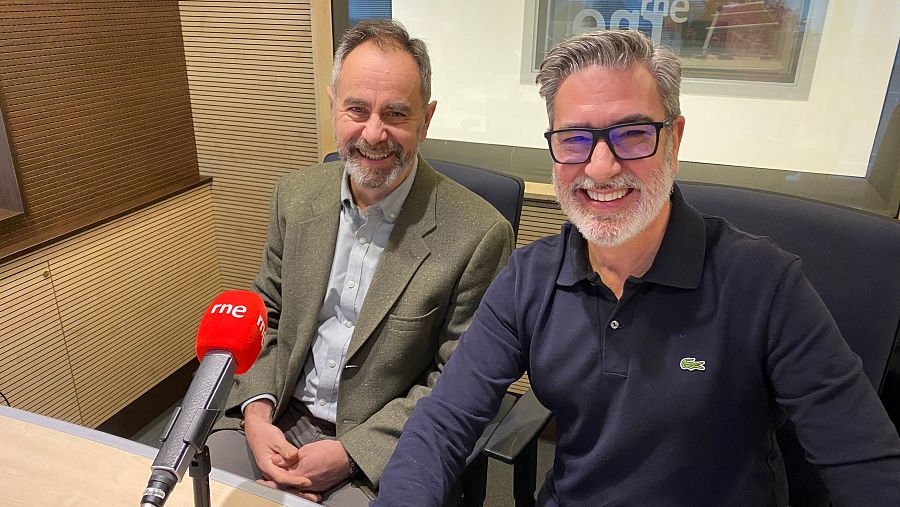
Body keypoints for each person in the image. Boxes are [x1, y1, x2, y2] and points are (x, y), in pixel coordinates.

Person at [374, 29, 900, 506]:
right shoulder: (529, 278)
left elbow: (864, 459)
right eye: (575, 138)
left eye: (632, 134)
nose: (601, 168)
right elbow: (443, 423)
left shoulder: (763, 282)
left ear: (674, 138)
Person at [206, 19, 514, 506]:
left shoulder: (478, 235)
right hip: (279, 412)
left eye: (395, 113)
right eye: (356, 109)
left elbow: (457, 382)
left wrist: (352, 452)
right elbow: (267, 312)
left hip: (380, 442)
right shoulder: (296, 196)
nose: (373, 133)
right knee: (201, 490)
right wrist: (257, 414)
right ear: (332, 105)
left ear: (426, 119)